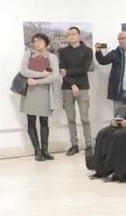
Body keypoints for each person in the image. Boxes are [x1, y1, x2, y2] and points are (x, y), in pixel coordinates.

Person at [19, 33, 62, 161]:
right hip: (30, 92)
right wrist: (43, 74)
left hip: (44, 91)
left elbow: (55, 76)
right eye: (35, 41)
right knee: (31, 122)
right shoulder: (28, 53)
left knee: (44, 122)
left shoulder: (52, 57)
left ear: (46, 42)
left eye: (40, 41)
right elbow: (24, 71)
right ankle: (37, 151)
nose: (37, 43)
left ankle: (45, 150)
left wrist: (37, 80)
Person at [58, 26, 94, 156]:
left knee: (85, 118)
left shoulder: (88, 51)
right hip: (68, 87)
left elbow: (84, 69)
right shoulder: (63, 52)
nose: (71, 36)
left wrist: (68, 72)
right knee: (70, 118)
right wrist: (72, 84)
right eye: (69, 34)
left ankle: (89, 145)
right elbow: (62, 71)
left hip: (83, 86)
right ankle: (74, 145)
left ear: (79, 36)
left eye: (73, 34)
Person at [96, 31, 126, 117]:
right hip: (118, 91)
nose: (121, 41)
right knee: (119, 115)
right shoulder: (115, 53)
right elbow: (103, 61)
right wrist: (98, 52)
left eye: (123, 38)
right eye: (119, 39)